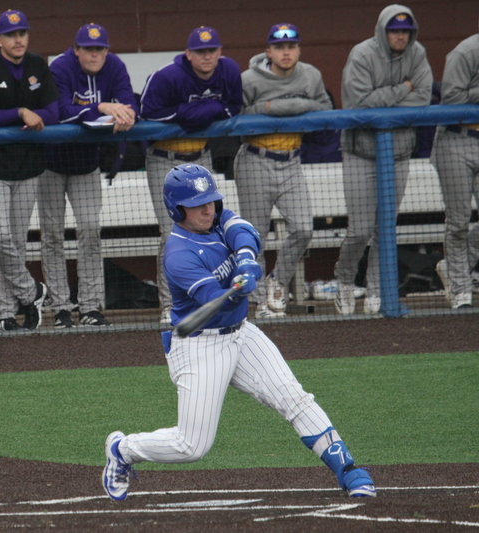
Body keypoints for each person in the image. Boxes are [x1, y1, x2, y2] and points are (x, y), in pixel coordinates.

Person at [102, 163, 375, 502]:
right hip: (199, 346)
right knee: (192, 445)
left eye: (211, 201)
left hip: (241, 333)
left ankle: (349, 470)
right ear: (177, 209)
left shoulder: (215, 218)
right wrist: (237, 288)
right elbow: (212, 300)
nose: (208, 208)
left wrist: (246, 259)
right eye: (198, 203)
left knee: (293, 397)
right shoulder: (178, 254)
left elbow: (243, 231)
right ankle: (123, 449)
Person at [139, 26, 242, 324]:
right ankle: (169, 305)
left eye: (212, 50)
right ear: (188, 54)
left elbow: (234, 107)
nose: (207, 56)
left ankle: (206, 296)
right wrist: (193, 112)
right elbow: (148, 113)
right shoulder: (168, 76)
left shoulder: (229, 70)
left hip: (201, 159)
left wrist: (205, 109)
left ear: (220, 52)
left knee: (207, 229)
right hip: (165, 160)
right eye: (200, 51)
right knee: (170, 233)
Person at [335, 5, 432, 315]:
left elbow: (423, 100)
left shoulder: (418, 54)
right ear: (383, 31)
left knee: (385, 227)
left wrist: (389, 97)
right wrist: (403, 88)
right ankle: (345, 282)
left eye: (404, 30)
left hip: (399, 153)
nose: (400, 36)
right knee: (360, 229)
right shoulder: (362, 54)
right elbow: (361, 103)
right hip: (360, 152)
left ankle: (377, 290)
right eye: (394, 30)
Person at [0, 9, 59, 331]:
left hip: (28, 166)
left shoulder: (37, 64)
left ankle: (6, 314)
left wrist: (34, 114)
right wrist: (20, 112)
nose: (17, 39)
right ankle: (31, 291)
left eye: (22, 33)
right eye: (10, 34)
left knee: (16, 243)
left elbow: (54, 110)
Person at [41, 23, 138, 328]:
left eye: (100, 49)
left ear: (107, 50)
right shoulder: (60, 67)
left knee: (90, 230)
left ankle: (91, 306)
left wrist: (126, 114)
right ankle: (59, 307)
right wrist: (102, 106)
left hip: (86, 162)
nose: (95, 54)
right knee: (53, 235)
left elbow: (129, 103)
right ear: (76, 49)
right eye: (88, 49)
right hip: (51, 163)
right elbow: (60, 111)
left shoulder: (115, 66)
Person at [235, 23, 332, 318]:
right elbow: (234, 118)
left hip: (291, 159)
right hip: (255, 156)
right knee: (256, 236)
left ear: (299, 50)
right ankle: (260, 300)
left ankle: (277, 282)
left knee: (304, 227)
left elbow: (325, 109)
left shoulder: (311, 75)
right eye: (279, 47)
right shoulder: (248, 79)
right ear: (268, 51)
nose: (286, 52)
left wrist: (275, 106)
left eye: (291, 46)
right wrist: (283, 107)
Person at [431, 19, 479, 309]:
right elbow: (451, 98)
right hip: (456, 138)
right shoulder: (465, 52)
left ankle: (455, 267)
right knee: (459, 220)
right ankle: (461, 289)